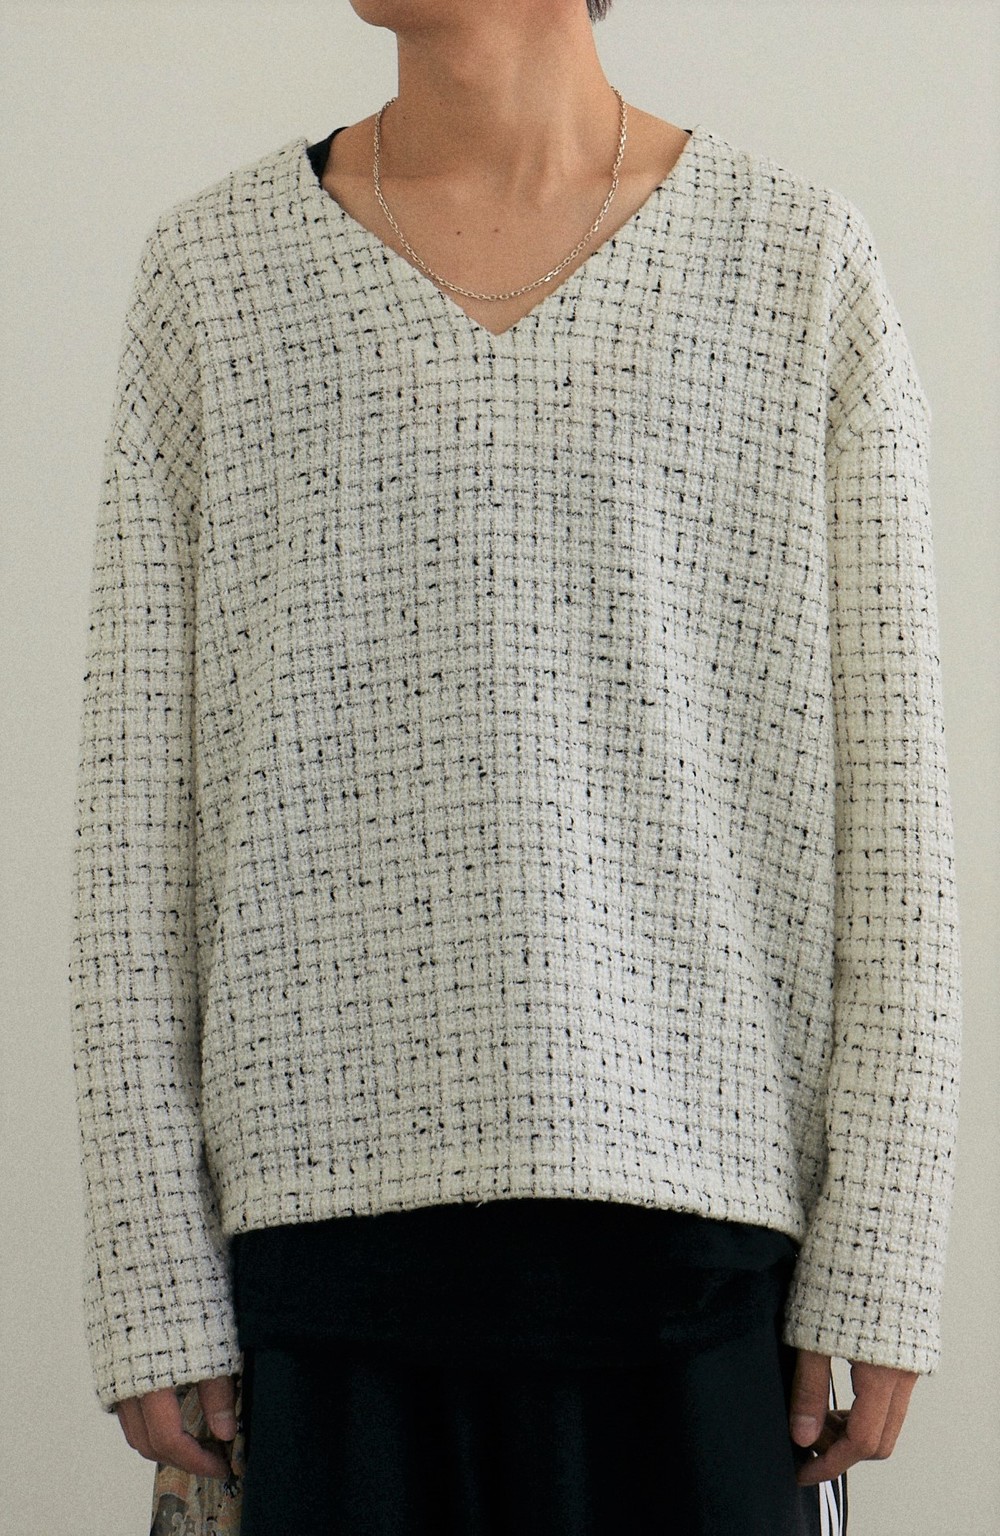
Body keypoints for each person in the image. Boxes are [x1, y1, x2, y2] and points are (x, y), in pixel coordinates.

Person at [68, 1, 962, 1532]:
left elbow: (896, 807)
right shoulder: (214, 280)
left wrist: (885, 1234)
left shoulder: (798, 266)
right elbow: (132, 819)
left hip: (703, 1273)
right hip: (318, 1276)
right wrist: (146, 1257)